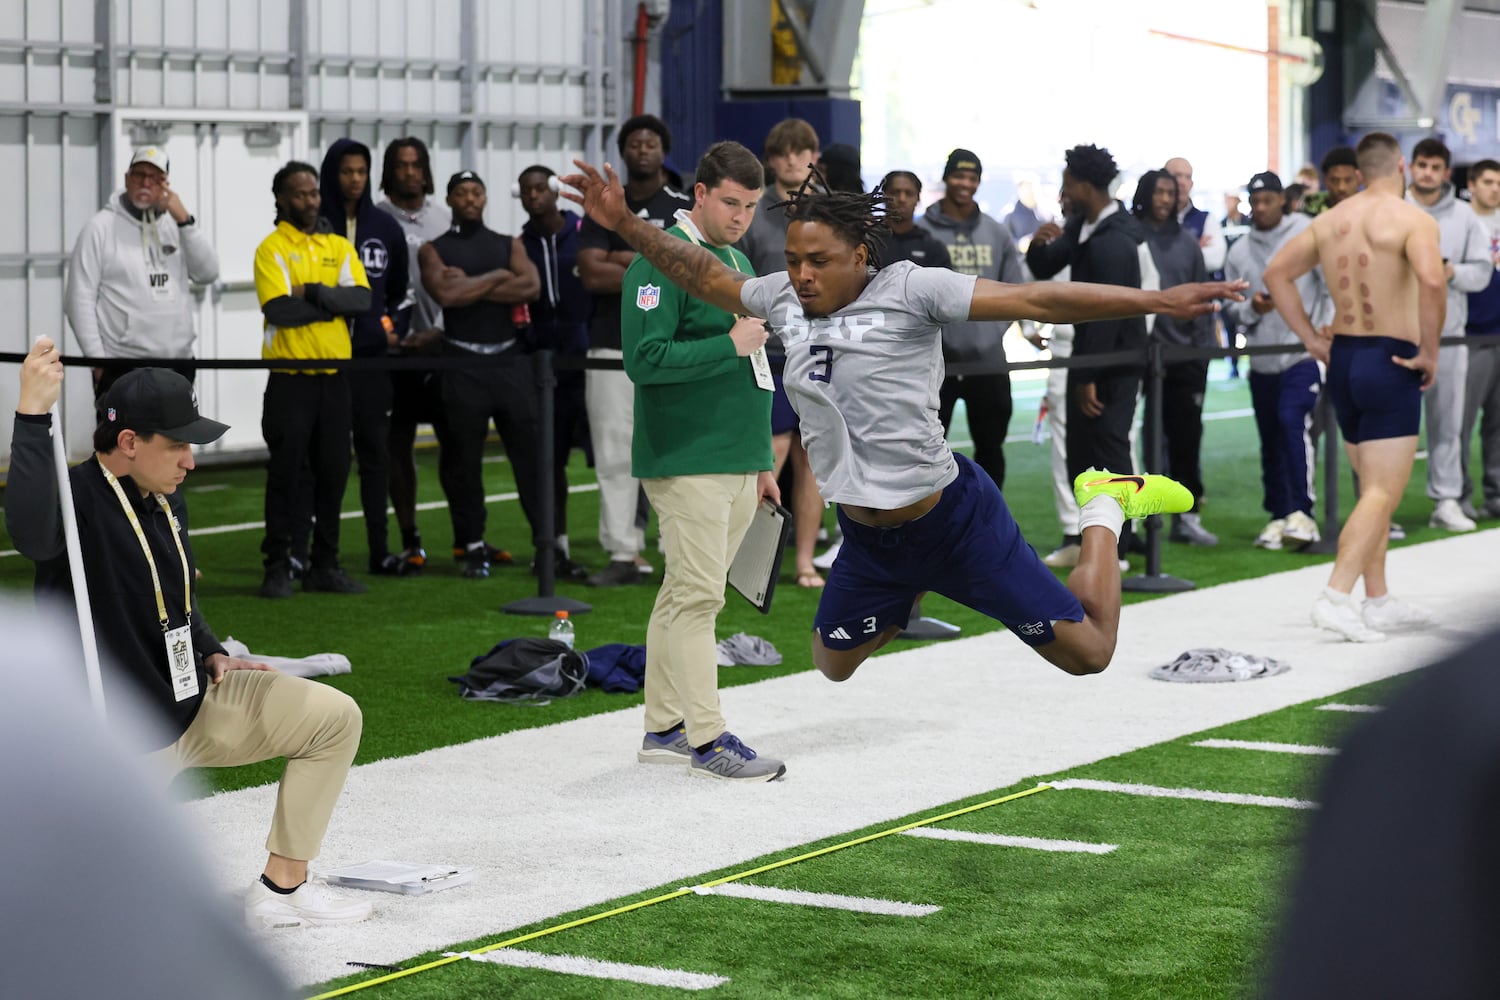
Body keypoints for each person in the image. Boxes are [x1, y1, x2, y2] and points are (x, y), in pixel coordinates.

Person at [562, 157, 1240, 685]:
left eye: (818, 261)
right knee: (831, 663)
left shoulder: (914, 289)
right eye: (793, 259)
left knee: (1090, 652)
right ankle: (905, 592)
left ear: (861, 255)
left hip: (952, 521)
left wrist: (1159, 299)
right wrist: (625, 223)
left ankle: (1104, 506)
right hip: (869, 539)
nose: (799, 274)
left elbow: (1038, 298)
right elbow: (703, 275)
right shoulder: (781, 297)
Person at [4, 346, 370, 929]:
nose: (190, 462)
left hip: (191, 704)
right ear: (129, 443)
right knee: (91, 919)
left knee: (333, 717)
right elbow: (27, 531)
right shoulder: (76, 502)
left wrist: (210, 649)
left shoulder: (167, 497)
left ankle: (282, 890)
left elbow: (174, 594)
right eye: (177, 444)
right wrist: (31, 414)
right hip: (116, 739)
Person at [621, 141, 785, 781]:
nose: (742, 215)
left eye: (751, 204)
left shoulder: (735, 258)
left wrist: (758, 458)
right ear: (699, 193)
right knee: (696, 600)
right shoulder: (658, 263)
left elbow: (757, 364)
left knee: (682, 597)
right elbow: (645, 361)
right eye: (731, 202)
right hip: (687, 459)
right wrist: (728, 343)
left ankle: (664, 729)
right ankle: (705, 738)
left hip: (733, 457)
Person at [1263, 132, 1446, 642]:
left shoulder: (1329, 220)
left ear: (1361, 170)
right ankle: (1337, 595)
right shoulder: (1414, 220)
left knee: (1372, 490)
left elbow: (1276, 273)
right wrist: (1428, 351)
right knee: (1384, 491)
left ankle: (1378, 598)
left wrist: (1309, 338)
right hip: (1391, 359)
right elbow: (1433, 281)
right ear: (1402, 166)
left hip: (1344, 357)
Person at [1028, 144, 1161, 559]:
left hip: (1112, 364)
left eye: (1068, 183)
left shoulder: (1115, 238)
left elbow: (1108, 313)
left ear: (1085, 186)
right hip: (1092, 358)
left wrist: (1087, 376)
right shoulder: (1083, 226)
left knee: (1108, 446)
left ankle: (1116, 547)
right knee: (1084, 455)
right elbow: (1046, 267)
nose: (1063, 191)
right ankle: (1092, 541)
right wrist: (1037, 245)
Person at [579, 115, 692, 587]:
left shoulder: (684, 207)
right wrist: (653, 259)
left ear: (663, 151)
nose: (642, 150)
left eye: (651, 143)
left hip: (674, 347)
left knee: (676, 450)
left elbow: (691, 270)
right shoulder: (606, 205)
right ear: (623, 152)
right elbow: (591, 273)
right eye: (634, 143)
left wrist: (624, 258)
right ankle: (623, 552)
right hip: (610, 345)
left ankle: (677, 550)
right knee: (613, 453)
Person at [254, 160, 371, 599]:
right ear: (281, 199)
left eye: (314, 192)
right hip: (290, 379)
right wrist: (332, 304)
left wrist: (315, 293)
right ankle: (279, 564)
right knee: (286, 473)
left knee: (335, 472)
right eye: (300, 193)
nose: (310, 199)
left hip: (335, 380)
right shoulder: (272, 248)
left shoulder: (337, 245)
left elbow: (360, 299)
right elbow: (278, 310)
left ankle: (325, 563)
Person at [420, 170, 545, 579]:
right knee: (463, 461)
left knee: (528, 458)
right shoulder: (433, 249)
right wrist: (497, 277)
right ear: (450, 199)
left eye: (476, 192)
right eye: (461, 193)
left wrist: (475, 283)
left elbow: (530, 286)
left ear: (486, 198)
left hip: (509, 362)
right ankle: (472, 544)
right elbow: (447, 295)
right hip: (461, 364)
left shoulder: (508, 243)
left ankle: (546, 546)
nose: (469, 199)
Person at [736, 118, 830, 589]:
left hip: (818, 352)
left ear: (813, 156)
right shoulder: (754, 212)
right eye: (783, 152)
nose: (792, 160)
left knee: (813, 459)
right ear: (771, 159)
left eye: (801, 151)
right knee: (769, 455)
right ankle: (754, 565)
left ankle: (805, 562)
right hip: (769, 353)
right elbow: (739, 285)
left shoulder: (833, 213)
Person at [316, 138, 412, 576]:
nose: (354, 179)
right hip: (322, 360)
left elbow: (400, 294)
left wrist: (391, 334)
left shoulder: (386, 227)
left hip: (373, 361)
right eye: (345, 171)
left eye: (361, 171)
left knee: (376, 455)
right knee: (324, 459)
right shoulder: (315, 227)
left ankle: (381, 549)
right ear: (332, 173)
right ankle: (318, 555)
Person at [1224, 171, 1329, 550]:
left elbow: (1329, 283)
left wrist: (1325, 328)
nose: (1261, 208)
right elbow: (1231, 310)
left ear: (1283, 199)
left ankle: (1303, 513)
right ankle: (1280, 515)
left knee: (1291, 422)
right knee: (1270, 439)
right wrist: (1253, 307)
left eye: (1268, 200)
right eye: (1256, 202)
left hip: (1302, 353)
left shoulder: (1308, 232)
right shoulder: (1238, 250)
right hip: (1261, 359)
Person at [65, 146, 219, 398]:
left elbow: (208, 273)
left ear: (166, 184)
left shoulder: (176, 224)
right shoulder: (100, 228)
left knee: (175, 437)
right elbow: (78, 300)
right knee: (123, 437)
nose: (146, 183)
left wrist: (185, 221)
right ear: (127, 179)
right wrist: (98, 363)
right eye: (139, 175)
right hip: (123, 366)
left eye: (155, 177)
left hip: (178, 363)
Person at [921, 148, 1026, 491]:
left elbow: (1015, 290)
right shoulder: (922, 231)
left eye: (972, 177)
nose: (965, 184)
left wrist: (986, 335)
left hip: (988, 362)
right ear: (947, 177)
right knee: (925, 451)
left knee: (991, 448)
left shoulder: (996, 233)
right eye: (958, 176)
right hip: (935, 363)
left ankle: (989, 518)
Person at [376, 137, 457, 573]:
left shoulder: (445, 220)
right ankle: (410, 538)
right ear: (389, 171)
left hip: (441, 347)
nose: (409, 172)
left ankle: (467, 538)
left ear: (426, 171)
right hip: (392, 352)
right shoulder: (375, 219)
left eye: (416, 165)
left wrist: (438, 332)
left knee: (455, 443)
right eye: (400, 165)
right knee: (396, 444)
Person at [1406, 136, 1493, 532]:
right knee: (1389, 425)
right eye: (1421, 164)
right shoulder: (1394, 209)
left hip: (1449, 335)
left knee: (1449, 423)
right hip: (1397, 334)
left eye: (1435, 167)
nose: (1427, 173)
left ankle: (1447, 499)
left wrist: (1452, 271)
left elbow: (1481, 272)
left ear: (1445, 172)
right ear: (1410, 166)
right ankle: (1380, 505)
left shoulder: (1463, 217)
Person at [1131, 169, 1218, 546]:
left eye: (1171, 191)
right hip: (1138, 357)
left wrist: (1199, 355)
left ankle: (1188, 516)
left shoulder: (1187, 243)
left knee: (1186, 439)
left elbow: (1203, 301)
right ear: (1146, 194)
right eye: (1159, 192)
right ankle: (1140, 522)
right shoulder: (1130, 238)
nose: (1166, 198)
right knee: (1141, 439)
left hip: (1184, 359)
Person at [518, 164, 593, 581]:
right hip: (542, 364)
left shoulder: (582, 233)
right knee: (549, 460)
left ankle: (633, 546)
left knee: (615, 456)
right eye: (526, 190)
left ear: (554, 191)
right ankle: (553, 547)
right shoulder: (519, 245)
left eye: (539, 188)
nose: (533, 196)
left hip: (587, 359)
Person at [1460, 158, 1500, 520]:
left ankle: (1497, 495)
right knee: (1461, 423)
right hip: (1469, 336)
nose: (1495, 188)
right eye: (1488, 181)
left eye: (1499, 182)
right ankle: (1458, 498)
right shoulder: (1461, 222)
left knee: (1499, 424)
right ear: (1472, 184)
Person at [1164, 156, 1226, 272]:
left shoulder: (1207, 219)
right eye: (1177, 175)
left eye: (1188, 177)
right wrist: (1196, 248)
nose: (1182, 182)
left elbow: (1215, 260)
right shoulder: (1154, 219)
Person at [879, 170, 951, 269]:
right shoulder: (869, 243)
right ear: (883, 196)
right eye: (895, 193)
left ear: (918, 198)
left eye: (909, 193)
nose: (902, 199)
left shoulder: (932, 247)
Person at [1302, 146, 1361, 216]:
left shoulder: (1371, 208)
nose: (1341, 188)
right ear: (1325, 180)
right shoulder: (1311, 205)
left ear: (1359, 179)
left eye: (1348, 180)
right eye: (1335, 181)